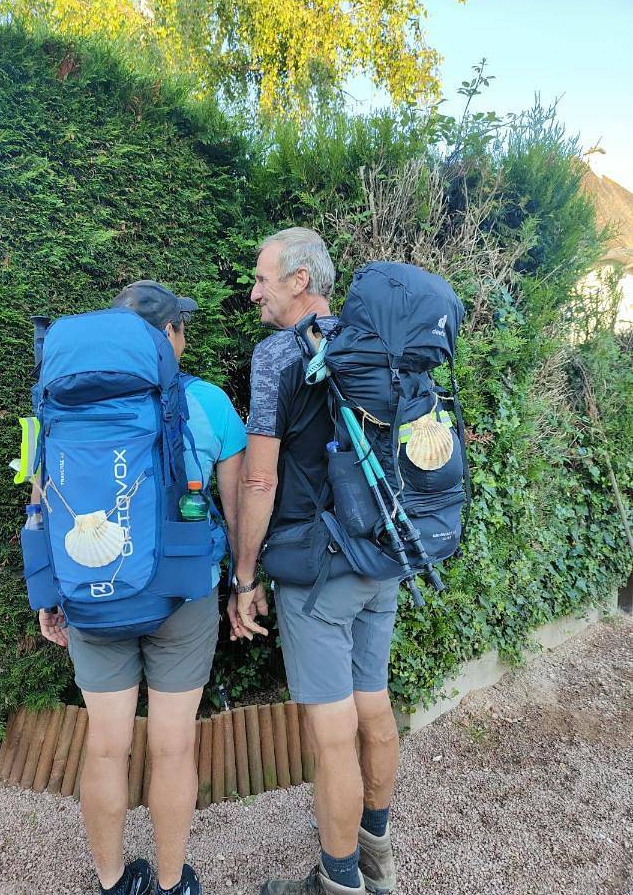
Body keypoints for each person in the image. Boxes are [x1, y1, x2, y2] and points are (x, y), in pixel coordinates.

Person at [39, 280, 246, 895]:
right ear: (169, 335)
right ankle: (172, 881)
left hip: (90, 592)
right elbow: (236, 507)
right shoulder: (208, 403)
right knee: (174, 748)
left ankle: (110, 882)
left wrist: (50, 595)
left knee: (105, 749)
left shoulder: (58, 406)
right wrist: (242, 584)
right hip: (183, 596)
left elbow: (45, 503)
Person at [228, 229, 400, 895]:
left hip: (318, 571)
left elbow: (259, 480)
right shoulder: (375, 344)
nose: (253, 292)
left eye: (262, 278)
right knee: (375, 710)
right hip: (380, 557)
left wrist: (243, 577)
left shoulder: (276, 356)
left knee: (332, 737)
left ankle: (337, 885)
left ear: (301, 279)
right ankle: (378, 863)